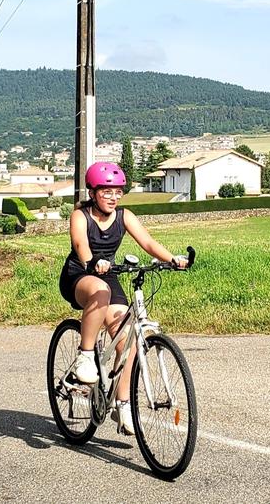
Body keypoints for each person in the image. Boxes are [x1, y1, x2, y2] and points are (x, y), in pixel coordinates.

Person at [58, 162, 188, 434]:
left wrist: (173, 259)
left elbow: (149, 243)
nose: (113, 197)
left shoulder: (124, 216)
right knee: (100, 291)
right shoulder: (80, 216)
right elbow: (81, 244)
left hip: (108, 274)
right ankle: (85, 356)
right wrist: (91, 261)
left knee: (128, 338)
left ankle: (123, 404)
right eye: (106, 192)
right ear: (93, 192)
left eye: (118, 192)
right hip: (79, 275)